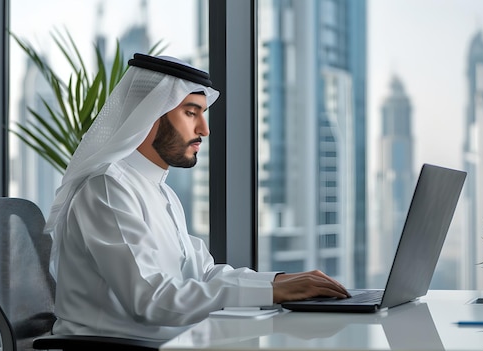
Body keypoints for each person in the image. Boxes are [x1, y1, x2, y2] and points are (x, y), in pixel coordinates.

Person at [44, 53, 349, 341]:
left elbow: (201, 273)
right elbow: (151, 300)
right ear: (149, 116)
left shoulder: (161, 192)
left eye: (202, 114)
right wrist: (272, 294)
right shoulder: (107, 188)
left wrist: (279, 282)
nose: (204, 129)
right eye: (190, 113)